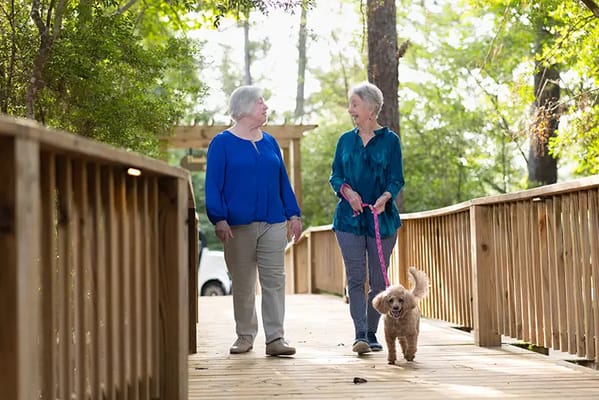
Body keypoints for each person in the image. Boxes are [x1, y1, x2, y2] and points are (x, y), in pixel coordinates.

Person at [205, 85, 303, 357]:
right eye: (261, 102)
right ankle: (245, 336)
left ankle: (275, 339)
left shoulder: (270, 142)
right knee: (244, 283)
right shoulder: (222, 143)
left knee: (275, 280)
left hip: (273, 222)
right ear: (245, 107)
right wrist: (219, 217)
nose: (266, 106)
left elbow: (283, 181)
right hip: (237, 226)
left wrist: (293, 214)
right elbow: (213, 184)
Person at [329, 81, 405, 355]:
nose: (350, 110)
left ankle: (373, 333)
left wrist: (386, 197)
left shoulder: (391, 141)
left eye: (354, 104)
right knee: (356, 277)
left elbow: (397, 178)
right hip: (349, 220)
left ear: (371, 109)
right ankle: (360, 333)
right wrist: (347, 192)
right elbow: (335, 176)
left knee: (380, 282)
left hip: (381, 220)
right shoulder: (345, 141)